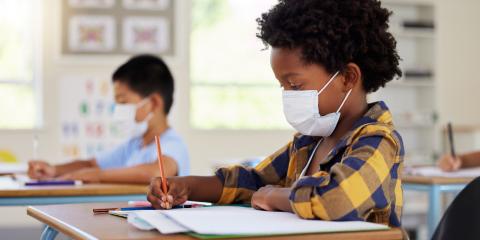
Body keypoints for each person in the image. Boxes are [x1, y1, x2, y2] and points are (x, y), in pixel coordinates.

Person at [148, 0, 405, 226]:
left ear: (348, 77)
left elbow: (337, 199)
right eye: (282, 86)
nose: (288, 94)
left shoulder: (379, 141)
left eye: (295, 85)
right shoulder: (308, 143)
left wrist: (276, 196)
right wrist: (186, 186)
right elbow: (252, 181)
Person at [28, 55, 189, 184]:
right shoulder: (133, 145)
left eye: (124, 102)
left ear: (153, 103)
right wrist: (53, 170)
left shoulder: (173, 144)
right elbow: (91, 164)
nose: (118, 111)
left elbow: (157, 172)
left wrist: (98, 175)